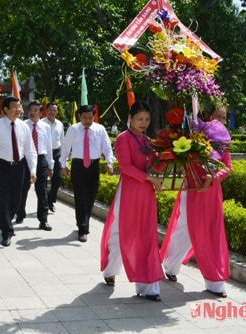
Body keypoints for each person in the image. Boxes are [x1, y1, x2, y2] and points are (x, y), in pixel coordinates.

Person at [160, 105, 232, 298]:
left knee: (211, 233)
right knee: (185, 230)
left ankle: (215, 281)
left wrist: (214, 177)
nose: (220, 121)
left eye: (223, 118)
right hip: (191, 191)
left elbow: (227, 167)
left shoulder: (223, 142)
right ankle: (170, 265)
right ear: (207, 116)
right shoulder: (194, 137)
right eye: (217, 116)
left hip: (211, 192)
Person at [100, 101, 164, 302]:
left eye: (146, 119)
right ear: (130, 118)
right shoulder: (123, 139)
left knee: (146, 235)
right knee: (122, 234)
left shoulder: (147, 141)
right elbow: (126, 168)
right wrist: (150, 178)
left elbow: (157, 165)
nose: (143, 123)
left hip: (146, 192)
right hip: (128, 192)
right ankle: (110, 269)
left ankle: (148, 285)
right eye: (139, 119)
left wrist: (174, 154)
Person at [0, 96, 37, 247]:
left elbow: (30, 150)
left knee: (17, 199)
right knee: (4, 199)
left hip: (19, 166)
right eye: (15, 107)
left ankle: (8, 220)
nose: (19, 109)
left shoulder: (24, 126)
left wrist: (32, 169)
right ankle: (6, 231)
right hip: (2, 166)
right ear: (6, 109)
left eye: (19, 106)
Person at [60, 105, 114, 242]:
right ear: (80, 117)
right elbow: (65, 148)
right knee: (80, 197)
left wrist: (109, 162)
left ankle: (85, 222)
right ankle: (82, 228)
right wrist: (63, 165)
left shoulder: (99, 129)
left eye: (90, 117)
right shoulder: (73, 129)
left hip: (94, 166)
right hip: (78, 166)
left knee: (91, 197)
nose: (87, 120)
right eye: (84, 117)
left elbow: (107, 146)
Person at [15, 100, 54, 231]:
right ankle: (20, 213)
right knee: (22, 189)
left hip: (41, 160)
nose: (33, 112)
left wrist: (51, 166)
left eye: (36, 110)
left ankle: (43, 220)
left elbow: (49, 147)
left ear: (40, 112)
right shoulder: (21, 125)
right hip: (25, 161)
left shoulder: (46, 127)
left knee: (42, 191)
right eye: (31, 110)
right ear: (27, 111)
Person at [41, 102, 65, 213]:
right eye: (50, 109)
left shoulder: (60, 124)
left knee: (58, 178)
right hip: (45, 153)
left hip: (57, 153)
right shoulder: (41, 123)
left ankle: (51, 200)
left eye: (54, 110)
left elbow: (62, 140)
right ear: (46, 110)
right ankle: (44, 201)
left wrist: (65, 157)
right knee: (43, 180)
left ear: (57, 112)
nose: (52, 112)